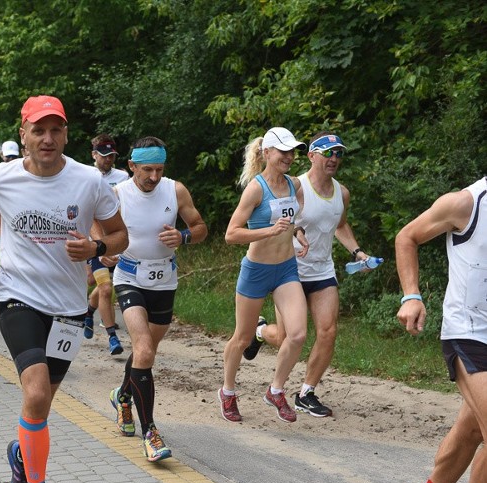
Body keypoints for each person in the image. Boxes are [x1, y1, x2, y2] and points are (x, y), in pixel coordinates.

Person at [0, 94, 128, 483]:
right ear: (24, 135)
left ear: (66, 135)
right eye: (39, 130)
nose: (48, 138)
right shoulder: (3, 177)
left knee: (41, 404)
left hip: (70, 310)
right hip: (17, 297)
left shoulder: (88, 181)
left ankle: (21, 455)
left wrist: (96, 250)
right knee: (35, 391)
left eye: (56, 130)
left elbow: (120, 237)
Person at [240, 133, 373, 417]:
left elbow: (341, 225)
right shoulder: (294, 186)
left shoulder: (342, 192)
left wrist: (357, 252)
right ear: (312, 155)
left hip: (323, 269)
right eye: (328, 153)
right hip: (290, 270)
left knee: (328, 331)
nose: (334, 159)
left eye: (339, 154)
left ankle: (306, 392)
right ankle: (260, 331)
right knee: (289, 336)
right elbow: (271, 219)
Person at [397, 176, 487, 483]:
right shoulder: (466, 203)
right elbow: (407, 237)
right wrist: (412, 294)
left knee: (473, 430)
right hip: (468, 333)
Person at [107, 136, 208, 462]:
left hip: (165, 278)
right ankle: (150, 432)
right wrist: (103, 248)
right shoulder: (118, 194)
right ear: (131, 166)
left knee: (144, 353)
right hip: (129, 276)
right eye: (147, 169)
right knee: (145, 348)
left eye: (159, 169)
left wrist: (183, 236)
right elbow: (96, 223)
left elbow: (201, 227)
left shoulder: (175, 190)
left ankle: (123, 397)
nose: (153, 176)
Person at [219, 127, 309, 423]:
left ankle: (276, 390)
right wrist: (269, 231)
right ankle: (228, 392)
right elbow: (231, 234)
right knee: (242, 338)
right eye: (283, 151)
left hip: (286, 269)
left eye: (292, 151)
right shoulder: (256, 189)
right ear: (267, 153)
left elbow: (293, 219)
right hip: (256, 270)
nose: (289, 157)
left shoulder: (295, 184)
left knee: (297, 334)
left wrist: (298, 233)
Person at [84, 134, 130, 355]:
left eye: (112, 155)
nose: (108, 159)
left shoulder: (123, 177)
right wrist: (98, 244)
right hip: (95, 243)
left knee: (110, 285)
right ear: (94, 155)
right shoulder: (84, 176)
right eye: (104, 155)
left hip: (118, 241)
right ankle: (112, 337)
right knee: (104, 287)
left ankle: (88, 311)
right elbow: (89, 214)